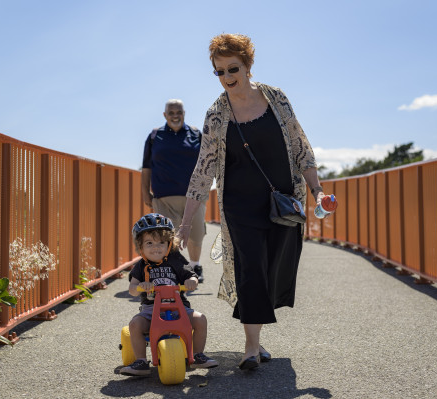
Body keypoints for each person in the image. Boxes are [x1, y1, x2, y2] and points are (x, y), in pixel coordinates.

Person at [177, 33, 332, 371]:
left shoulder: (275, 98)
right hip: (239, 206)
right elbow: (203, 170)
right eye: (219, 72)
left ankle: (256, 338)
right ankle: (250, 348)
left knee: (273, 267)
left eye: (232, 68)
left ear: (248, 65)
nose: (227, 77)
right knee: (251, 269)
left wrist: (317, 190)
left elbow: (300, 147)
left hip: (283, 202)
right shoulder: (216, 114)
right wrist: (186, 224)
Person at [120, 213, 218, 376]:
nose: (155, 247)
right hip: (151, 311)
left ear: (169, 244)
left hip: (179, 308)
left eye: (161, 243)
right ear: (141, 246)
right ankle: (141, 361)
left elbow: (190, 273)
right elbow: (132, 288)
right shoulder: (141, 266)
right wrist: (140, 286)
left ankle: (198, 355)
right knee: (135, 325)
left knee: (200, 319)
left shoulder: (176, 259)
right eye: (149, 243)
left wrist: (192, 280)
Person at [141, 99, 207, 282]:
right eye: (171, 113)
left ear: (184, 113)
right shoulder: (155, 136)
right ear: (165, 115)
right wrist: (145, 192)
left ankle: (195, 266)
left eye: (179, 112)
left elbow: (206, 164)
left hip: (194, 196)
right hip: (163, 198)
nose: (175, 116)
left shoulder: (196, 134)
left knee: (196, 235)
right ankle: (171, 270)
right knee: (166, 236)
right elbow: (146, 167)